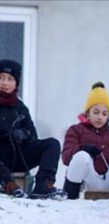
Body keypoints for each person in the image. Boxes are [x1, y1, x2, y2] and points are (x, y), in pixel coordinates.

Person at [61, 82, 109, 199]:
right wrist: (83, 148)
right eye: (96, 112)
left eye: (104, 113)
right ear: (88, 112)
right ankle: (70, 197)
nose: (100, 117)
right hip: (89, 181)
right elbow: (66, 158)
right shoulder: (76, 130)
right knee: (81, 156)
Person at [0, 59, 62, 199]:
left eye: (10, 79)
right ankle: (8, 185)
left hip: (19, 156)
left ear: (16, 83)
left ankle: (43, 185)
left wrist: (23, 134)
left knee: (52, 144)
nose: (4, 83)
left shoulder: (20, 107)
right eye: (1, 77)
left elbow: (33, 135)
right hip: (1, 159)